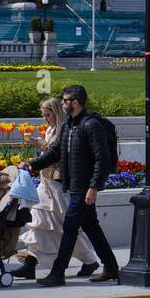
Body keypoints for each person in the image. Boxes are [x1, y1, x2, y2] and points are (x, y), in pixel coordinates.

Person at [21, 85, 121, 287]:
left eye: (65, 100)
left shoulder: (91, 126)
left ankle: (58, 273)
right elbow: (54, 153)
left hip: (85, 187)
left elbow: (102, 158)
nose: (63, 103)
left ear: (75, 103)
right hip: (75, 185)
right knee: (91, 226)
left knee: (70, 227)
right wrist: (32, 165)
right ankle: (110, 267)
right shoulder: (69, 125)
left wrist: (94, 186)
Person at [12, 97, 100, 280]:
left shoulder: (63, 129)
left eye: (48, 114)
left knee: (64, 227)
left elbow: (60, 156)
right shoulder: (51, 129)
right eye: (43, 115)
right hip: (45, 183)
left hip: (57, 185)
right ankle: (30, 263)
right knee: (38, 223)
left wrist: (41, 146)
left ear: (56, 112)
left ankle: (90, 260)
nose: (45, 118)